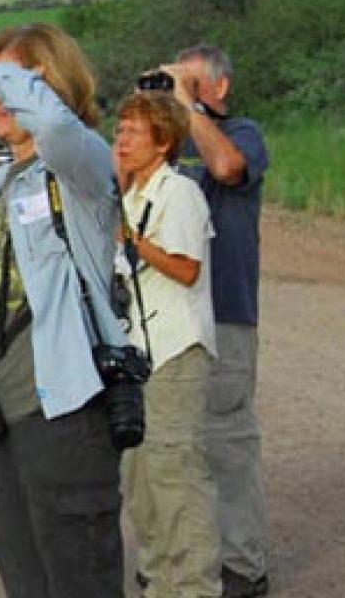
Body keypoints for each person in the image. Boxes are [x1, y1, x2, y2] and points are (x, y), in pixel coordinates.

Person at [0, 23, 127, 598]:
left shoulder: (81, 164)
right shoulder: (4, 183)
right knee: (24, 578)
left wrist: (7, 76)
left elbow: (59, 130)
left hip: (62, 408)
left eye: (10, 85)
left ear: (49, 82)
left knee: (78, 578)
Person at [164, 45, 271, 598]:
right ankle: (188, 561)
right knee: (172, 445)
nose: (177, 89)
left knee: (226, 443)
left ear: (219, 87)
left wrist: (189, 110)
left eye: (190, 80)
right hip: (163, 317)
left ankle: (242, 566)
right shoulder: (166, 143)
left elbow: (227, 169)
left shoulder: (244, 134)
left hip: (223, 310)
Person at [114, 91, 221, 598]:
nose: (121, 140)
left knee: (176, 475)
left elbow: (186, 268)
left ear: (163, 143)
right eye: (119, 130)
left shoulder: (178, 194)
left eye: (133, 132)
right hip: (140, 353)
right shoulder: (131, 195)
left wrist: (132, 242)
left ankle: (196, 587)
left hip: (176, 348)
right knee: (140, 480)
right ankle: (160, 583)